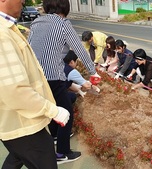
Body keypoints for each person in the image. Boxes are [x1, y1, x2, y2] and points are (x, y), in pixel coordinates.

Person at [28, 0, 100, 164]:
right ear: (65, 7)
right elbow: (80, 49)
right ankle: (62, 153)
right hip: (53, 75)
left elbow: (29, 48)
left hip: (37, 77)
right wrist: (93, 72)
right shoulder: (63, 24)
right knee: (66, 112)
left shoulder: (36, 22)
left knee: (53, 108)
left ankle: (54, 136)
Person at [0, 0, 70, 168]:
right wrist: (53, 110)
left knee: (16, 157)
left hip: (18, 119)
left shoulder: (10, 27)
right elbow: (14, 89)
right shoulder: (2, 34)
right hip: (23, 121)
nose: (24, 1)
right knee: (44, 160)